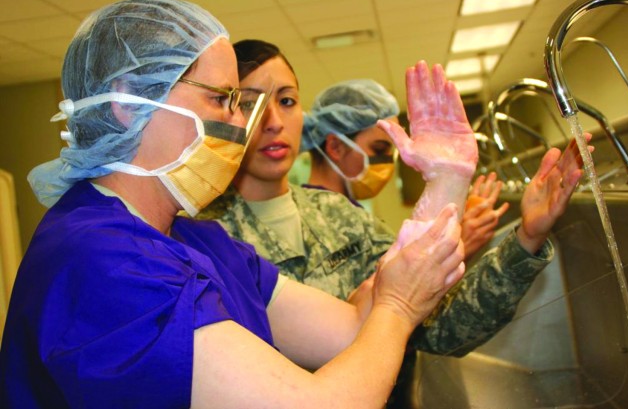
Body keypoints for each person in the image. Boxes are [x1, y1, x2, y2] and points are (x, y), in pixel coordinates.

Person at [0, 0, 470, 409]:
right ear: (129, 101)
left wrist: (445, 186)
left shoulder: (194, 236)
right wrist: (400, 305)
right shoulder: (100, 263)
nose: (238, 122)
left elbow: (352, 328)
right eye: (224, 98)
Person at [198, 39, 590, 356]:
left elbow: (441, 328)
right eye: (249, 103)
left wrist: (526, 239)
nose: (274, 122)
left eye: (287, 100)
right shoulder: (199, 235)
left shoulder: (339, 215)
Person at [300, 79, 510, 260]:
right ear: (336, 147)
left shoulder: (356, 217)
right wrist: (455, 244)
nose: (387, 163)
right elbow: (391, 300)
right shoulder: (308, 224)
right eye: (379, 149)